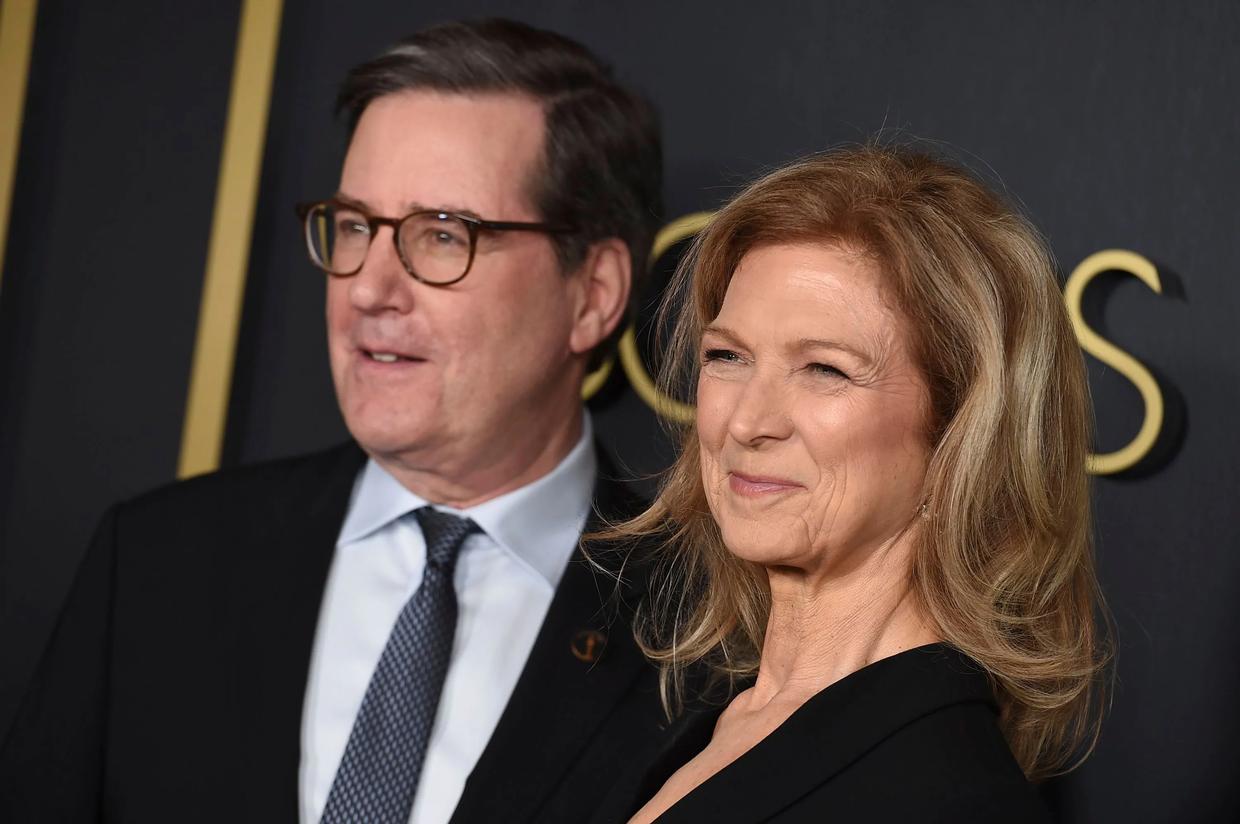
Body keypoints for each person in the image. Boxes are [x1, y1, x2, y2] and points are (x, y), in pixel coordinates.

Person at [0, 19, 667, 824]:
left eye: (441, 236)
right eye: (354, 227)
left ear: (594, 293)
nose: (368, 289)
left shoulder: (699, 635)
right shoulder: (154, 565)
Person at [593, 146, 1110, 822]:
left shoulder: (953, 800)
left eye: (824, 370)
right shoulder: (718, 722)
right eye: (728, 355)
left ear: (961, 429)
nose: (746, 421)